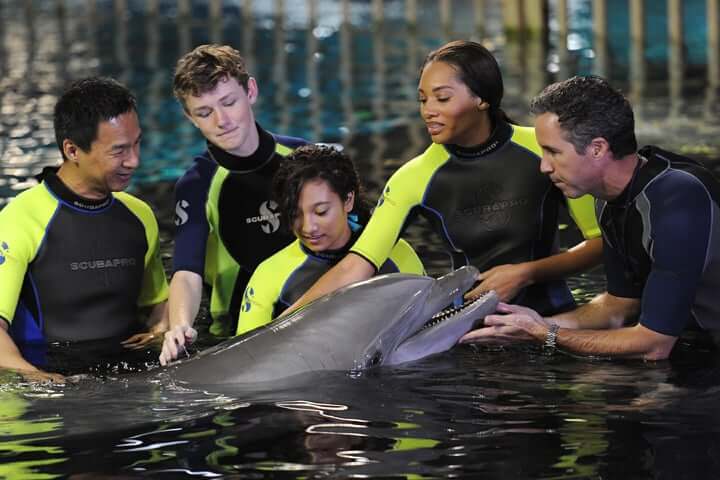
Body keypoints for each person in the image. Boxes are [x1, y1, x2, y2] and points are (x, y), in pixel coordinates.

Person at [285, 40, 602, 317]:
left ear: (482, 99)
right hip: (472, 334)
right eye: (423, 99)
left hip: (552, 322)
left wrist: (526, 274)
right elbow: (356, 264)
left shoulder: (542, 149)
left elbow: (601, 242)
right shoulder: (415, 177)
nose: (428, 111)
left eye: (442, 98)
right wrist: (277, 326)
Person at [461, 75, 720, 360]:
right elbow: (617, 306)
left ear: (597, 148)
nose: (544, 167)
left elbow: (654, 344)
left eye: (553, 152)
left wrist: (544, 335)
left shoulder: (678, 197)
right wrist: (525, 324)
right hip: (691, 344)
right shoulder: (609, 198)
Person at [0, 77, 169, 381]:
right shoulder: (20, 220)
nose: (134, 160)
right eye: (118, 150)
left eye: (137, 143)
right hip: (52, 379)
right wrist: (32, 375)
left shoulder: (139, 215)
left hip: (132, 375)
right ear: (73, 150)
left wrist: (160, 329)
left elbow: (158, 302)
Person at [160, 44, 308, 364]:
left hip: (314, 311)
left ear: (250, 90)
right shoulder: (197, 183)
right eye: (204, 112)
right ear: (189, 117)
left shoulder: (304, 158)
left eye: (229, 102)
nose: (222, 120)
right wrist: (180, 326)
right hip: (238, 334)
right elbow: (186, 270)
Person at [236, 145, 425, 334]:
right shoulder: (269, 275)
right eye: (295, 213)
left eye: (321, 212)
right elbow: (245, 356)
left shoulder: (397, 253)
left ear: (348, 200)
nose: (308, 227)